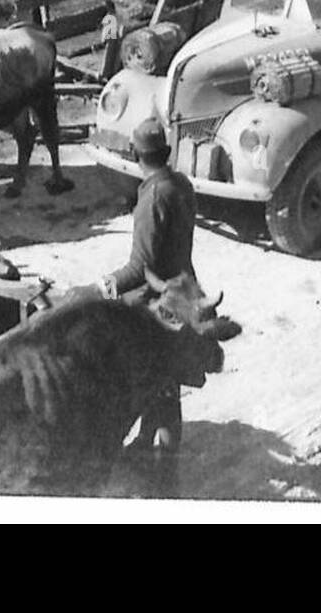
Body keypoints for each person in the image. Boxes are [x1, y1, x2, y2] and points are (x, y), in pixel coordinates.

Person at [97, 117, 201, 453]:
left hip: (159, 304)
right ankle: (145, 440)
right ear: (167, 153)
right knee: (164, 380)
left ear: (133, 153)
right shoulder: (182, 184)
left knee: (156, 381)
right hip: (184, 291)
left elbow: (140, 268)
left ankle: (167, 467)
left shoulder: (152, 198)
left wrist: (108, 281)